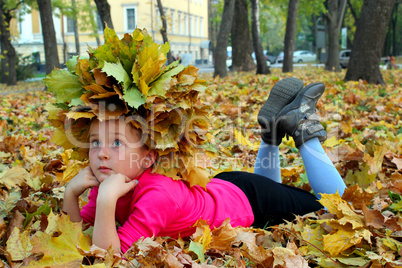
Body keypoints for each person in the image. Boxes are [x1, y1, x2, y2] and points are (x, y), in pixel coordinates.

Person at [62, 77, 347, 254]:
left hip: (250, 202)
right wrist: (71, 195)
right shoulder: (110, 178)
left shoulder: (156, 195)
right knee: (281, 192)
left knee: (338, 207)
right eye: (95, 142)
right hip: (226, 188)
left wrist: (107, 202)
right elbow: (84, 231)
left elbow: (109, 256)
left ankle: (303, 127)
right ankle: (272, 132)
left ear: (148, 158)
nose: (101, 154)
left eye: (115, 144)